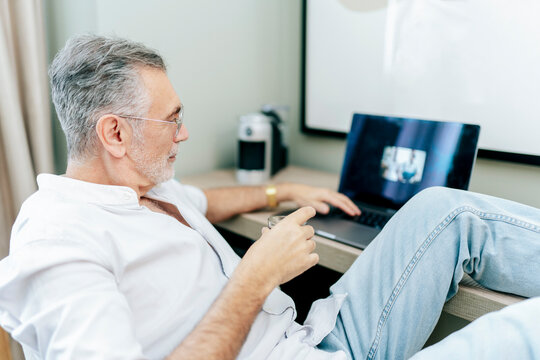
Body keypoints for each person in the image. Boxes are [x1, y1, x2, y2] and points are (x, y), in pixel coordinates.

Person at [0, 35, 539, 360]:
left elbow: (206, 201)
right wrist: (254, 278)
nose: (183, 133)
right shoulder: (59, 244)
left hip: (315, 337)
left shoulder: (145, 188)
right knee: (526, 328)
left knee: (446, 209)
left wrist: (284, 188)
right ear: (114, 134)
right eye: (172, 119)